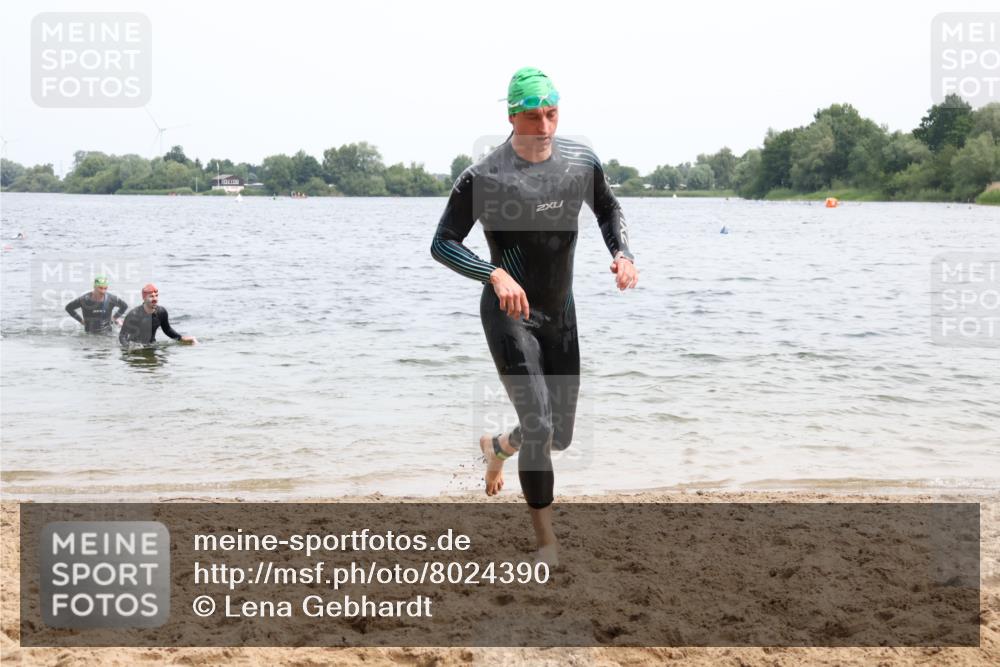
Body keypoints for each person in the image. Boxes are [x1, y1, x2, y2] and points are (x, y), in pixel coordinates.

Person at [430, 67, 638, 565]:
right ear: (511, 116)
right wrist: (492, 274)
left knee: (558, 433)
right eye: (531, 116)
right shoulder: (484, 176)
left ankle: (498, 447)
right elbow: (442, 243)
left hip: (560, 314)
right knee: (541, 423)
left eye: (551, 114)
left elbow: (608, 208)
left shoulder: (580, 162)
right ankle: (547, 541)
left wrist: (623, 253)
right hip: (509, 315)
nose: (544, 126)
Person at [119, 284, 197, 346]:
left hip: (151, 345)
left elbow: (167, 330)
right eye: (151, 296)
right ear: (144, 298)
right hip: (135, 346)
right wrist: (128, 348)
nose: (155, 299)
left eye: (156, 296)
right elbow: (122, 336)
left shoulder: (161, 312)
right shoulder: (134, 314)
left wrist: (182, 339)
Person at [64, 275, 129, 334]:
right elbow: (68, 308)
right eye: (100, 288)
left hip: (107, 333)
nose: (103, 291)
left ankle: (117, 322)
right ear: (94, 287)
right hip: (90, 334)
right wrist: (80, 320)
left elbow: (124, 306)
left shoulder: (111, 299)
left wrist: (114, 318)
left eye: (105, 288)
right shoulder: (84, 300)